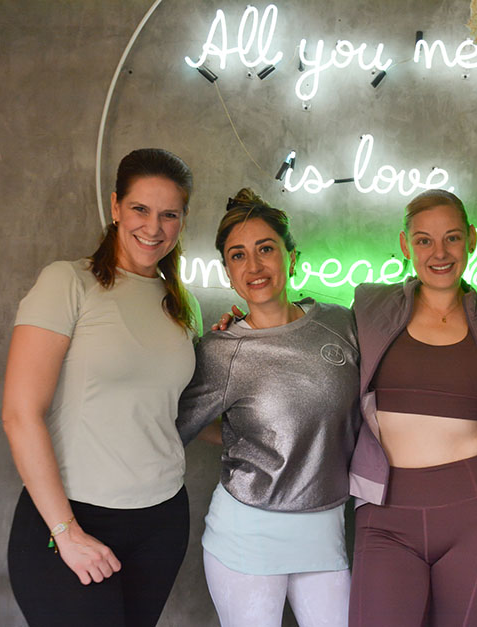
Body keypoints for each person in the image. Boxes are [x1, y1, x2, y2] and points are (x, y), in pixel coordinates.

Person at [3, 148, 200, 627]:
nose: (153, 228)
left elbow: (166, 410)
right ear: (115, 207)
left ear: (182, 220)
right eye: (140, 209)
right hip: (72, 517)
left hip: (162, 520)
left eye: (169, 214)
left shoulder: (180, 304)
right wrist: (66, 532)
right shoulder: (68, 282)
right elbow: (19, 414)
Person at [176, 189, 361, 627]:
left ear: (291, 256)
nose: (254, 266)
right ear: (228, 272)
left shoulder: (340, 324)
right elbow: (176, 423)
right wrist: (248, 439)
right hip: (246, 536)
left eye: (265, 249)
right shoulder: (222, 350)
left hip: (326, 531)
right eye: (238, 256)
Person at [347, 189, 477, 626]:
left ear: (472, 240)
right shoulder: (369, 307)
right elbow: (308, 332)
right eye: (424, 240)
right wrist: (245, 325)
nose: (439, 253)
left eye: (452, 238)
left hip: (475, 517)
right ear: (406, 245)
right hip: (386, 512)